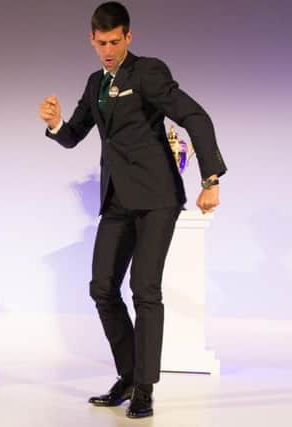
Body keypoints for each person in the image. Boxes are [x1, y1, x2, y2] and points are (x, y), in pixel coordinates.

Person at [39, 2, 226, 418]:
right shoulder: (95, 83)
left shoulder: (148, 72)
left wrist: (210, 178)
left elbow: (194, 115)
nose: (108, 50)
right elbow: (74, 135)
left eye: (115, 42)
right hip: (117, 201)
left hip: (157, 197)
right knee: (102, 288)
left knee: (145, 290)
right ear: (91, 39)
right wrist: (54, 124)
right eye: (101, 43)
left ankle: (145, 388)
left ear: (128, 37)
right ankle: (127, 376)